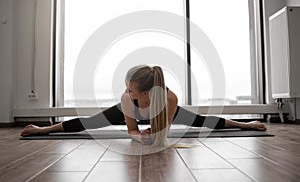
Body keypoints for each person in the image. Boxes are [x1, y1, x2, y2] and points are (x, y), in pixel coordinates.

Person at [21, 65, 266, 146]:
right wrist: (140, 137)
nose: (126, 92)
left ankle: (249, 123)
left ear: (147, 92)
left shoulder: (169, 99)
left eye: (130, 88)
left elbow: (163, 134)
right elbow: (132, 132)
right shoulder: (127, 99)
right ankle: (43, 129)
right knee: (89, 122)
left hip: (160, 112)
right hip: (131, 114)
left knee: (203, 121)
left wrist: (156, 135)